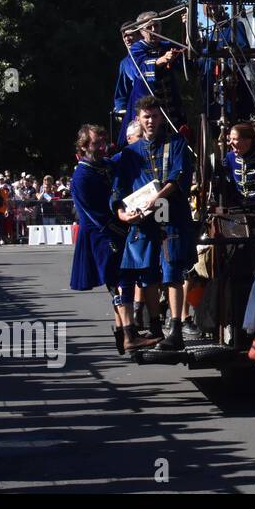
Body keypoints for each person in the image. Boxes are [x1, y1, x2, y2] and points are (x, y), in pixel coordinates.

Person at [113, 96, 198, 351]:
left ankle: (175, 330)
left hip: (171, 217)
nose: (150, 121)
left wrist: (156, 199)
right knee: (145, 274)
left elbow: (178, 176)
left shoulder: (176, 144)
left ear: (162, 117)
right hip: (142, 221)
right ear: (138, 119)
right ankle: (153, 327)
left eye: (155, 116)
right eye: (146, 117)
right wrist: (121, 214)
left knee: (172, 271)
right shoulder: (129, 153)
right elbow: (118, 189)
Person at [70, 125, 158, 353]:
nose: (102, 147)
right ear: (83, 147)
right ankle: (130, 336)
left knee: (120, 281)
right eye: (96, 144)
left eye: (103, 142)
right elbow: (92, 213)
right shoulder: (82, 175)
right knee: (120, 280)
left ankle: (122, 334)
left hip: (113, 231)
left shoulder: (104, 165)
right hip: (101, 236)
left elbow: (124, 156)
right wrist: (120, 228)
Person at [113, 12, 186, 149]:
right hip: (145, 110)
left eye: (157, 26)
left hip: (170, 110)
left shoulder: (167, 45)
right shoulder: (136, 49)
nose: (154, 30)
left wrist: (186, 27)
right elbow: (140, 70)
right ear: (141, 30)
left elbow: (188, 56)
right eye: (150, 27)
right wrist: (162, 60)